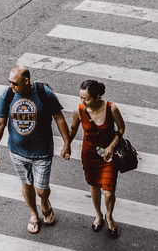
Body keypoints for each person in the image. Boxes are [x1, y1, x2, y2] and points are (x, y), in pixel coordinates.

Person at [0, 65, 71, 234]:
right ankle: (34, 214)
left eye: (14, 83)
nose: (11, 86)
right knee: (26, 184)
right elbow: (0, 123)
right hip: (17, 151)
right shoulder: (8, 95)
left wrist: (66, 143)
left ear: (26, 81)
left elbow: (59, 118)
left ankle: (45, 203)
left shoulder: (44, 93)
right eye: (9, 82)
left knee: (41, 189)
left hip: (42, 152)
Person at [68, 80, 125, 237]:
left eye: (86, 98)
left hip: (108, 155)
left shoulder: (111, 108)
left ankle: (109, 216)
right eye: (81, 98)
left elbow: (121, 128)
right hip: (89, 154)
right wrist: (67, 145)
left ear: (97, 97)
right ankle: (98, 215)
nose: (83, 101)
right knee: (94, 186)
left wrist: (112, 146)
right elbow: (73, 129)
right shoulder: (79, 110)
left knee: (108, 191)